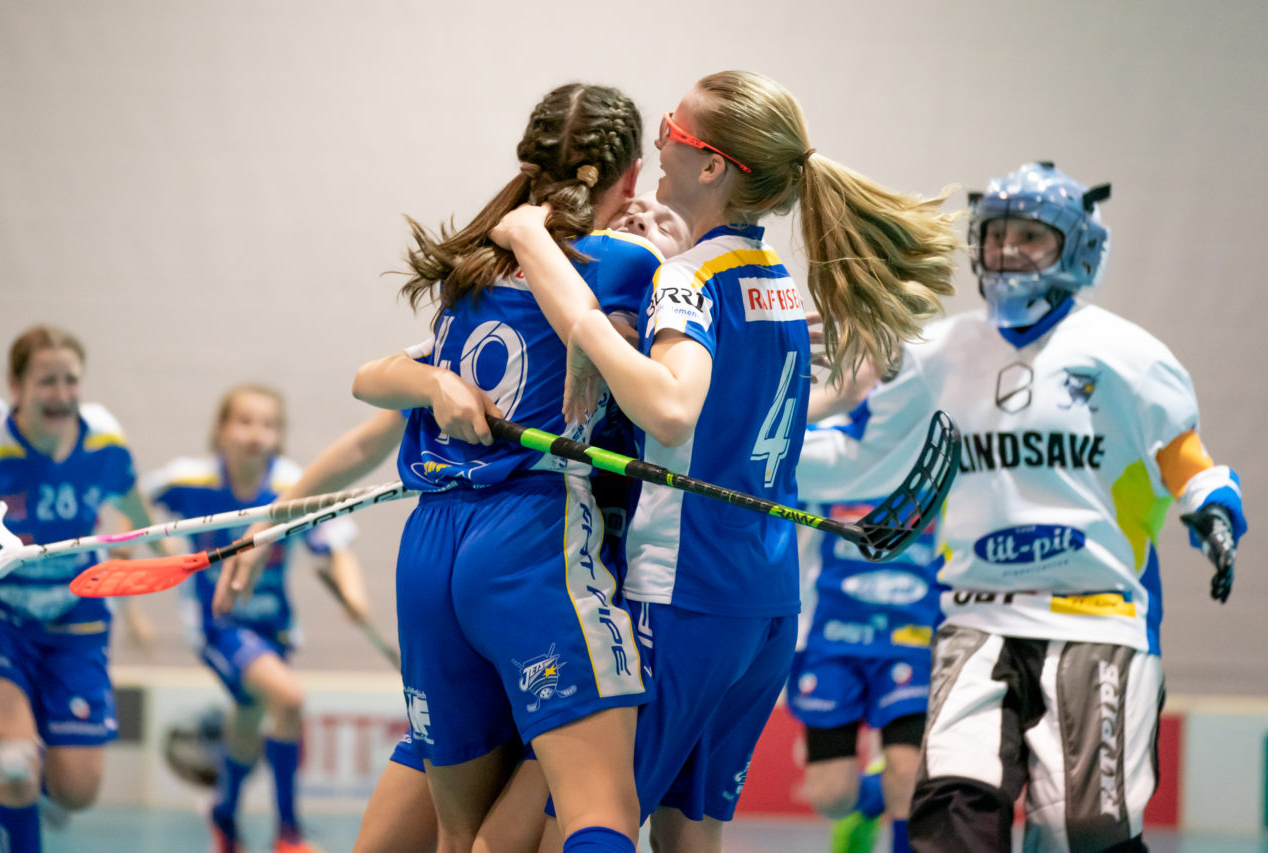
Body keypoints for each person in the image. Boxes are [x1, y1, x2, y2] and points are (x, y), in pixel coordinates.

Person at [491, 69, 958, 853]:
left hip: (680, 596)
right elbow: (739, 422)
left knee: (571, 829)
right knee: (690, 836)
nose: (660, 139)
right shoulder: (773, 281)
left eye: (675, 127)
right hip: (766, 608)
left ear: (712, 167)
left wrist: (590, 331)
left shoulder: (688, 279)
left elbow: (672, 407)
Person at [801, 162, 1246, 852]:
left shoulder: (1130, 356)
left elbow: (1182, 453)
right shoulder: (937, 355)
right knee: (951, 809)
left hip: (1098, 615)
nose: (1006, 251)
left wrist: (1213, 505)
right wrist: (753, 453)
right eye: (995, 234)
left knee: (1084, 827)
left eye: (1029, 237)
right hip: (975, 614)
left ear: (1077, 249)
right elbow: (860, 454)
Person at [351, 82, 664, 853]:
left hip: (429, 549)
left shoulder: (478, 259)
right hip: (534, 532)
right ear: (628, 175)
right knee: (600, 812)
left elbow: (369, 375)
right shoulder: (627, 261)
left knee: (462, 839)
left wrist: (432, 382)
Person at [142, 384, 366, 853]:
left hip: (274, 627)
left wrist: (352, 592)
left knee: (248, 720)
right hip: (218, 624)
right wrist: (161, 548)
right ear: (221, 429)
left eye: (268, 424)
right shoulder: (190, 480)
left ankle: (224, 816)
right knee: (288, 698)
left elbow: (335, 542)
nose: (255, 434)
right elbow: (132, 496)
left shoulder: (291, 485)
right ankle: (289, 834)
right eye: (244, 421)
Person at [0, 326, 166, 853]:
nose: (62, 395)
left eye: (71, 381)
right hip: (0, 619)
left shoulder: (103, 442)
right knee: (17, 769)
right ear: (15, 385)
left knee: (77, 790)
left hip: (76, 619)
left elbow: (135, 515)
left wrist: (171, 563)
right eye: (47, 381)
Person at [788, 361, 942, 853]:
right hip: (830, 633)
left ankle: (893, 797)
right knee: (831, 795)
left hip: (914, 632)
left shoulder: (936, 443)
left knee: (907, 776)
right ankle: (868, 800)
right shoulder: (821, 438)